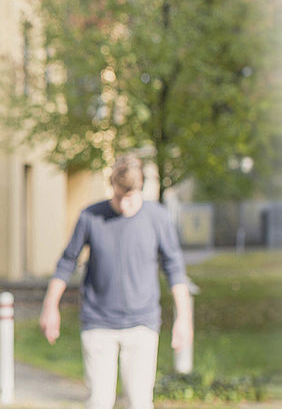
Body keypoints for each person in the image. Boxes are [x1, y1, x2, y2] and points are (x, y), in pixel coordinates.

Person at [38, 155, 193, 409]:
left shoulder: (158, 218)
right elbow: (67, 261)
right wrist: (50, 307)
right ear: (112, 187)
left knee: (140, 401)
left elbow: (174, 268)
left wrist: (184, 319)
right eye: (118, 196)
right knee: (99, 401)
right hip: (98, 323)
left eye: (130, 198)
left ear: (140, 188)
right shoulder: (91, 216)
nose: (123, 204)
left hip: (142, 323)